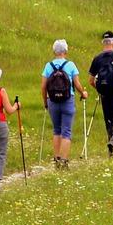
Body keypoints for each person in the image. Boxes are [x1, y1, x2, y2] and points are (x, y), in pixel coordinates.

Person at [39, 39, 88, 168]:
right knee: (66, 131)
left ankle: (56, 159)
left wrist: (46, 102)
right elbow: (76, 84)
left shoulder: (48, 66)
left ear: (54, 51)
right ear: (65, 51)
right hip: (67, 100)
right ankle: (64, 161)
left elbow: (43, 87)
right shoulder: (70, 65)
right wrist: (83, 93)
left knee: (56, 130)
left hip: (53, 101)